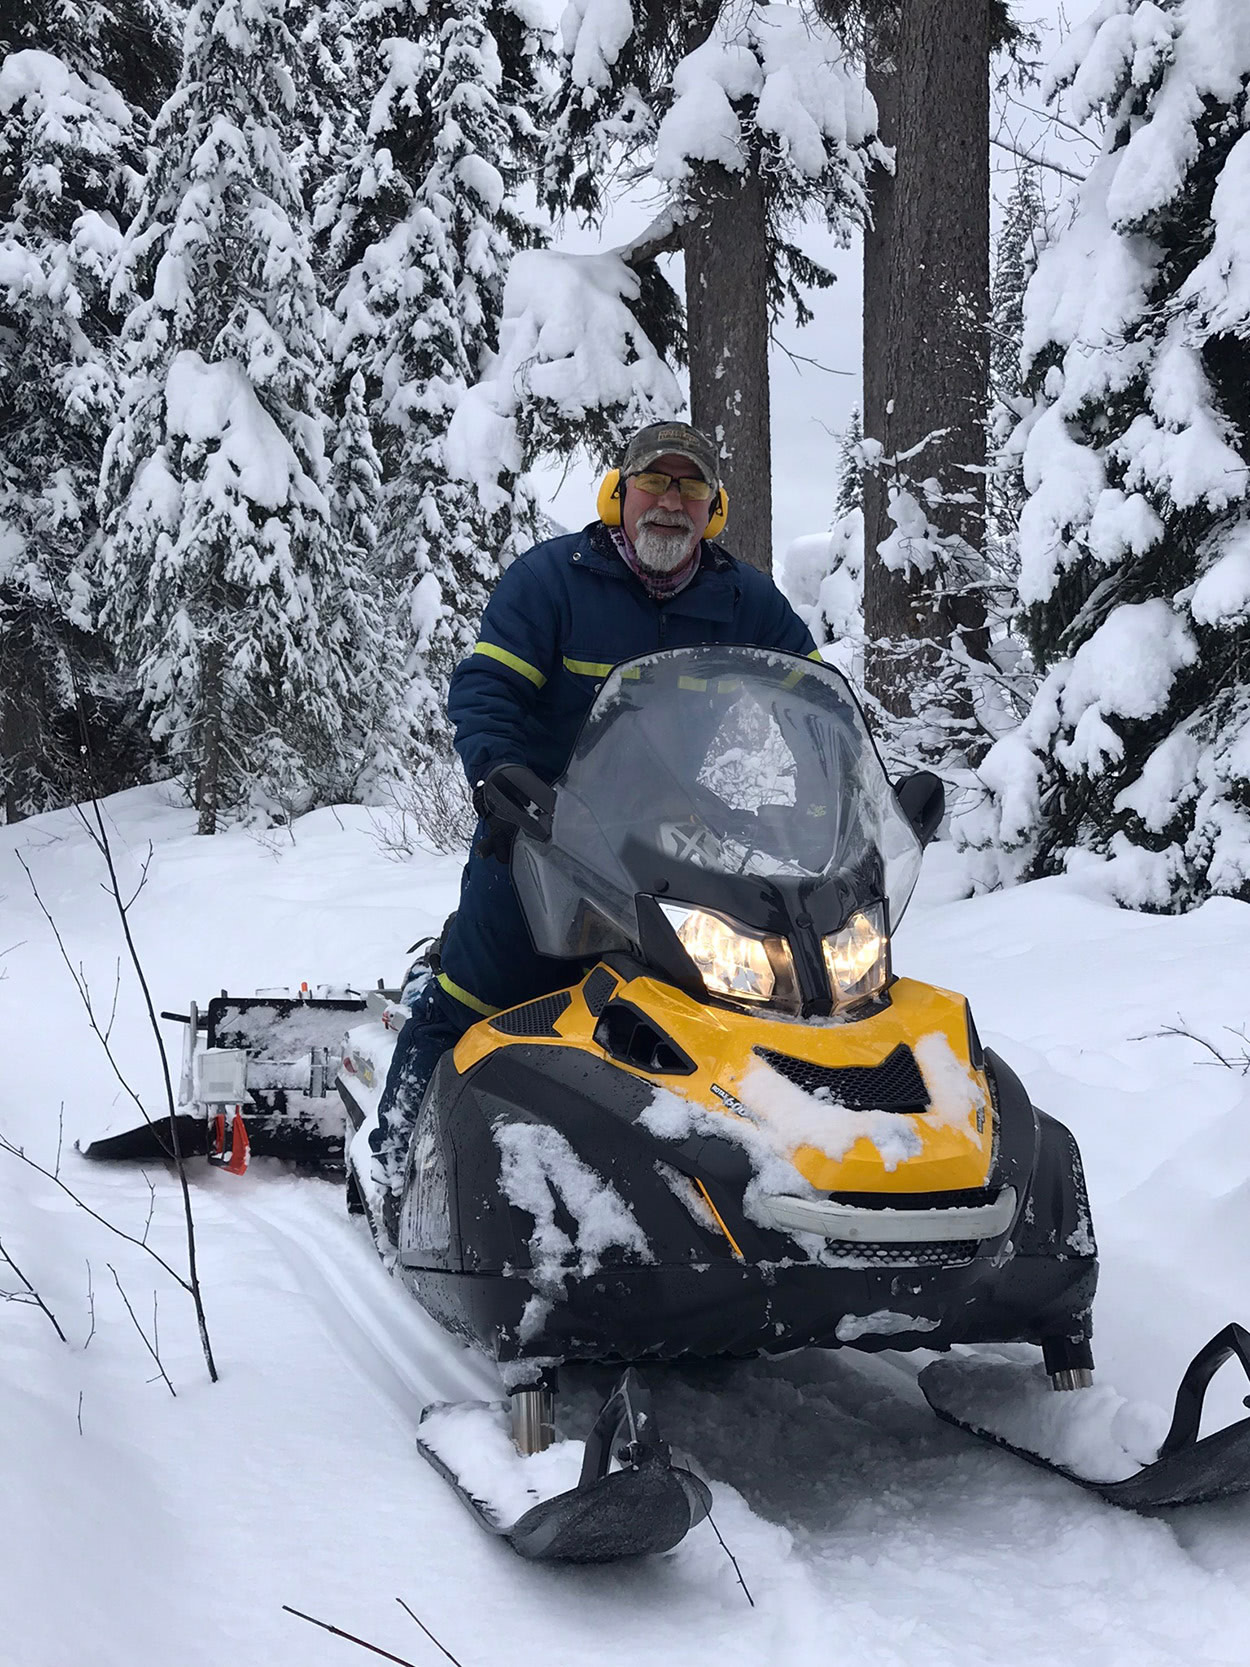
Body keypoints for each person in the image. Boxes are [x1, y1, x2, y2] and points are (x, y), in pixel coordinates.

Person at [369, 419, 819, 1192]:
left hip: (676, 863)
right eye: (655, 481)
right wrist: (500, 773)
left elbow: (812, 699)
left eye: (690, 486)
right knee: (472, 993)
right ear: (620, 492)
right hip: (542, 843)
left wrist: (831, 798)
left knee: (738, 1012)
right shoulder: (552, 581)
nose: (669, 502)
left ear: (713, 506)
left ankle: (734, 1181)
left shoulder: (741, 598)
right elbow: (487, 690)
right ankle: (393, 1156)